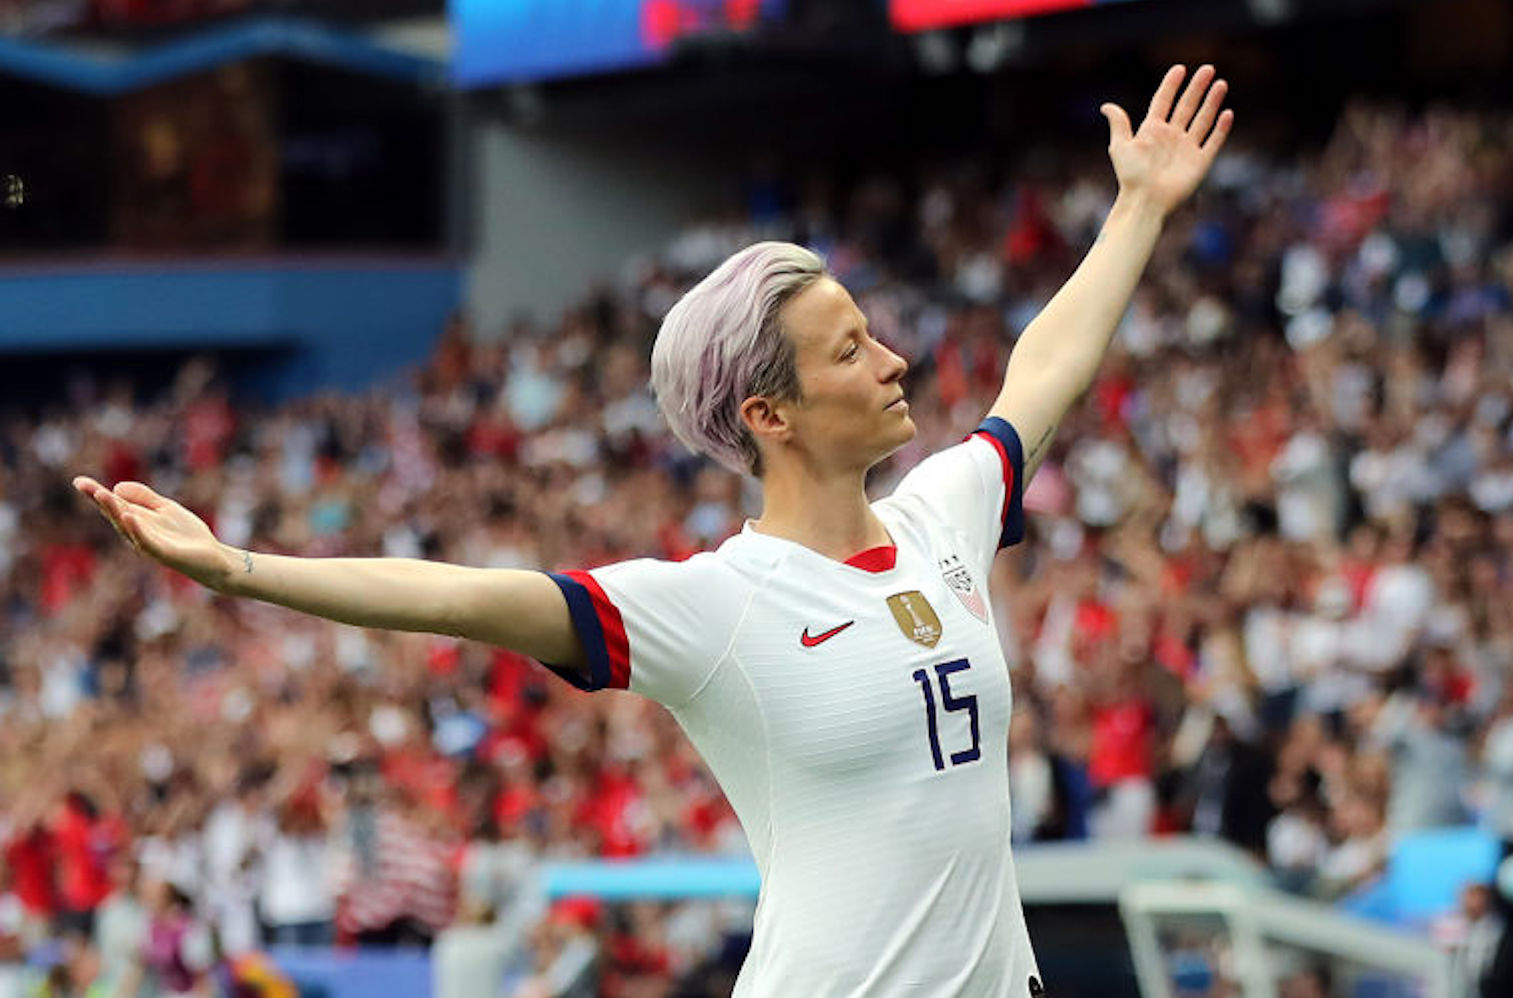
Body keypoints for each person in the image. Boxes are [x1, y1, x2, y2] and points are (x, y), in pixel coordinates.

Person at [74, 64, 1233, 998]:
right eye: (849, 350)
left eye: (872, 333)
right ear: (767, 413)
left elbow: (1043, 371)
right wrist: (238, 568)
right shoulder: (716, 607)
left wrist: (1135, 207)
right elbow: (463, 594)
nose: (892, 361)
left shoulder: (945, 514)